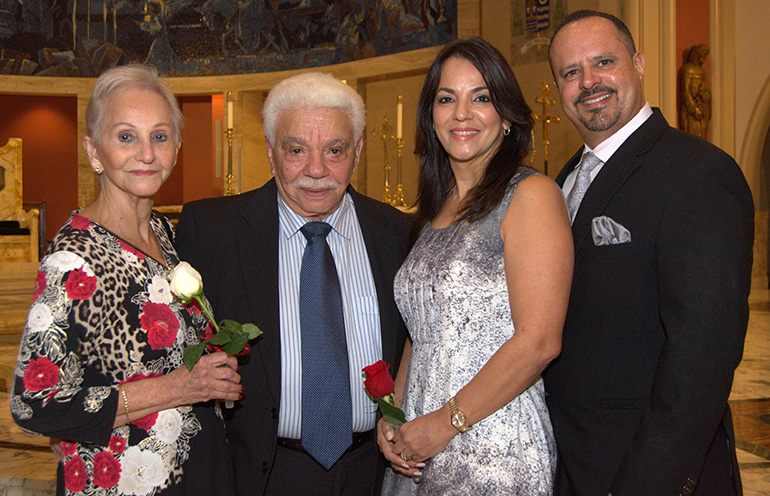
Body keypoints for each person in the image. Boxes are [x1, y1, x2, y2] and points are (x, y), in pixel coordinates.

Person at [545, 10, 754, 496]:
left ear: (638, 64)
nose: (588, 81)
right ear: (557, 88)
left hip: (644, 465)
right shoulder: (562, 182)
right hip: (570, 461)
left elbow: (702, 357)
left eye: (603, 61)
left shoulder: (697, 173)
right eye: (570, 72)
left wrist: (649, 483)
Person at [174, 72, 412, 496]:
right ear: (270, 152)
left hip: (373, 472)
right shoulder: (212, 232)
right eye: (296, 149)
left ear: (357, 152)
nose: (316, 170)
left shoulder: (399, 234)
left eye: (334, 150)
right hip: (259, 475)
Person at [10, 64, 241, 495]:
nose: (147, 154)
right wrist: (178, 387)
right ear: (94, 151)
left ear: (176, 146)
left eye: (159, 136)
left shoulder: (164, 234)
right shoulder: (74, 259)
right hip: (121, 481)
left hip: (191, 472)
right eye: (125, 136)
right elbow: (34, 402)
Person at [378, 37, 573, 495]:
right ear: (431, 117)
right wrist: (396, 417)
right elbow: (419, 332)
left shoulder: (531, 195)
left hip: (492, 442)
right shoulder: (434, 211)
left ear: (506, 116)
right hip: (420, 439)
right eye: (447, 99)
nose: (461, 113)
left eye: (481, 97)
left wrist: (445, 424)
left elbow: (540, 341)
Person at [679, 43, 712, 140]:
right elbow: (686, 92)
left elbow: (704, 88)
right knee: (693, 138)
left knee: (703, 137)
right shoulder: (688, 70)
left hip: (703, 108)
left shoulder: (703, 71)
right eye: (702, 56)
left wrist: (707, 95)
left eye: (705, 57)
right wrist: (694, 109)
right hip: (692, 110)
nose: (703, 59)